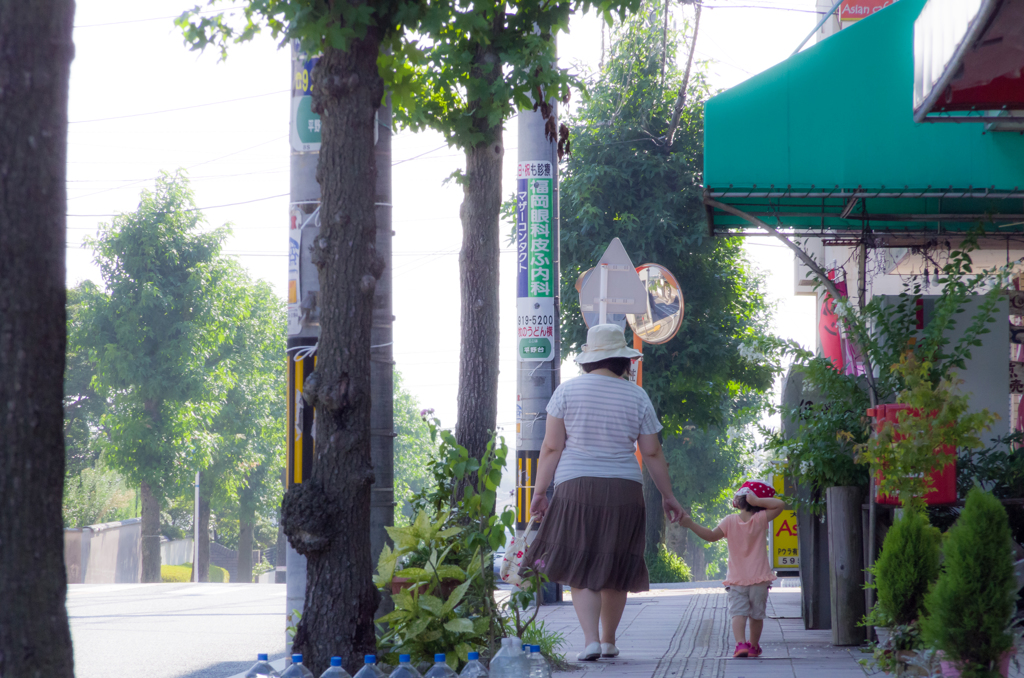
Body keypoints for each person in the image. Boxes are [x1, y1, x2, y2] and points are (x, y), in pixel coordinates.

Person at [522, 323, 685, 662]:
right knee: (616, 562)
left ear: (588, 359)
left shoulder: (567, 392)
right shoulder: (636, 395)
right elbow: (652, 453)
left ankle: (590, 640)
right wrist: (668, 496)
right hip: (625, 488)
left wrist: (539, 492)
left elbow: (551, 447)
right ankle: (610, 640)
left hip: (575, 485)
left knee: (581, 562)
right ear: (624, 361)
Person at [680, 480, 784, 658]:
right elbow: (780, 505)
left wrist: (691, 524)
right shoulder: (760, 519)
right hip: (759, 577)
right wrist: (758, 501)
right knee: (757, 615)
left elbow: (711, 536)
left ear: (739, 501)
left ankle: (740, 644)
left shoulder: (729, 521)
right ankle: (753, 645)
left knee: (738, 613)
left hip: (736, 578)